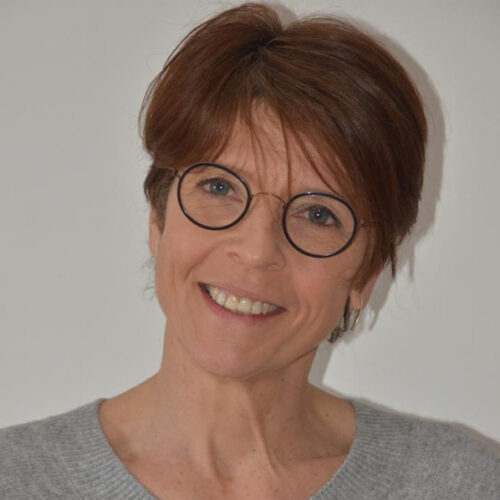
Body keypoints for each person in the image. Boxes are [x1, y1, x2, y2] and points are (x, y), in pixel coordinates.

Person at [1, 2, 499, 499]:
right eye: (219, 187)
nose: (257, 250)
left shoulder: (462, 485)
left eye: (319, 214)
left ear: (366, 274)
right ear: (158, 217)